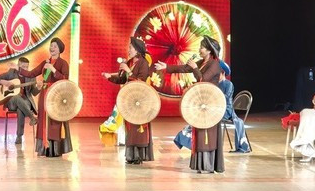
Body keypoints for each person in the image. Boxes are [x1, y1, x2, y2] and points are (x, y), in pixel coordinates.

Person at [155, 36, 225, 174]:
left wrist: (194, 68)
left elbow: (203, 79)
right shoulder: (203, 62)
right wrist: (167, 67)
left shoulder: (214, 64)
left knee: (207, 134)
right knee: (198, 133)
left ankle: (208, 165)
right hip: (201, 103)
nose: (200, 49)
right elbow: (185, 68)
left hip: (210, 105)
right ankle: (200, 164)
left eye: (202, 48)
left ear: (210, 51)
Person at [102, 37, 154, 165]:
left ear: (137, 50)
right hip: (130, 100)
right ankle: (131, 155)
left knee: (138, 128)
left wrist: (128, 70)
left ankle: (138, 156)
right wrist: (110, 77)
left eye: (130, 47)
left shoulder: (143, 63)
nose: (128, 50)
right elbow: (122, 80)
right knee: (129, 128)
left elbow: (141, 82)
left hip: (140, 101)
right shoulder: (130, 62)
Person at [23, 37, 73, 157]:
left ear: (60, 49)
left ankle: (55, 150)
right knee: (43, 120)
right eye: (51, 45)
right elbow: (32, 73)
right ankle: (44, 148)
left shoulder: (63, 63)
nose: (52, 48)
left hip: (56, 96)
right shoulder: (46, 62)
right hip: (45, 94)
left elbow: (65, 80)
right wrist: (18, 69)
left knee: (54, 121)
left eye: (55, 46)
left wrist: (53, 70)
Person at [0, 57, 38, 145]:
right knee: (16, 97)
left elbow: (34, 93)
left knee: (21, 109)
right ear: (18, 65)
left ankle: (19, 136)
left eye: (27, 67)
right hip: (11, 101)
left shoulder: (31, 76)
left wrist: (39, 88)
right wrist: (3, 82)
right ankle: (32, 117)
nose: (25, 69)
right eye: (23, 67)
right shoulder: (11, 73)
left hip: (26, 101)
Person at [220, 61, 250, 153]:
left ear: (223, 73)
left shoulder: (228, 84)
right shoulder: (215, 83)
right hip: (217, 109)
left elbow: (226, 98)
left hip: (226, 111)